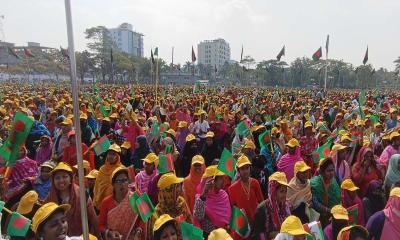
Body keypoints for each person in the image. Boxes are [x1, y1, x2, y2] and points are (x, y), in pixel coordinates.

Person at [45, 162, 99, 237]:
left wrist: (98, 235)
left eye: (64, 177)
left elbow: (92, 216)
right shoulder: (50, 197)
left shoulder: (82, 194)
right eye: (57, 178)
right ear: (53, 181)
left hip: (80, 236)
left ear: (70, 179)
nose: (61, 180)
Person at [98, 166, 144, 240]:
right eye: (118, 181)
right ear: (113, 184)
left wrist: (138, 230)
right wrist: (110, 233)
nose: (122, 184)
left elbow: (145, 216)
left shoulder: (136, 196)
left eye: (125, 180)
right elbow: (100, 226)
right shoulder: (105, 202)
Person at [193, 166, 231, 237]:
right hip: (208, 236)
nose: (224, 180)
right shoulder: (201, 197)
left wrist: (227, 226)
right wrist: (205, 193)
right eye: (220, 178)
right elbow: (198, 216)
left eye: (223, 177)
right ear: (211, 181)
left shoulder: (224, 194)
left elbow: (227, 216)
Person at [252, 172, 290, 240]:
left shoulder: (285, 206)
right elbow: (255, 236)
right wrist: (269, 235)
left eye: (285, 191)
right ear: (273, 192)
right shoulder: (262, 209)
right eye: (281, 191)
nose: (284, 195)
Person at [228, 155, 264, 226]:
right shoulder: (232, 188)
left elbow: (261, 202)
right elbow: (233, 210)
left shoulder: (255, 183)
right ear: (238, 171)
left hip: (256, 221)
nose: (245, 171)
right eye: (242, 169)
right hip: (242, 224)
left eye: (247, 168)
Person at [310, 157, 341, 227]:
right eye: (328, 171)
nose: (331, 173)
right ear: (322, 172)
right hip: (320, 218)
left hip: (334, 215)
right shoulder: (315, 184)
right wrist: (329, 210)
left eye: (332, 170)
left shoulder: (334, 182)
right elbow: (315, 203)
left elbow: (338, 198)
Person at [93, 144, 122, 209]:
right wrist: (95, 201)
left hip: (116, 205)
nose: (110, 156)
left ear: (118, 156)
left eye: (113, 154)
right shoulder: (102, 169)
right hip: (101, 204)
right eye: (109, 154)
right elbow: (97, 187)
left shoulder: (121, 170)